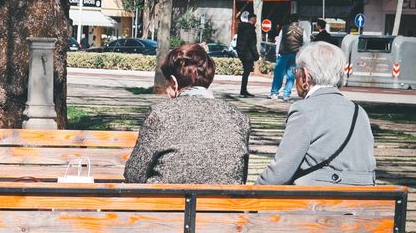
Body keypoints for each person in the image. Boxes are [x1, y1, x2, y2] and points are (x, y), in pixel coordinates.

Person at [124, 43, 250, 184]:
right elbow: (240, 176)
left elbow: (134, 174)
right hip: (224, 205)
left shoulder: (160, 114)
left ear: (173, 83)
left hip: (165, 203)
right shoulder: (238, 118)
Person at [256, 42, 375, 186]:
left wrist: (251, 193)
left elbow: (280, 174)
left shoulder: (304, 110)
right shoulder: (359, 111)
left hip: (320, 202)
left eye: (296, 71)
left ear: (305, 76)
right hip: (364, 200)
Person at [269, 13, 305, 101]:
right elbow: (305, 43)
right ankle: (286, 94)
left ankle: (274, 92)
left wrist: (277, 53)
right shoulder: (302, 30)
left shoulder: (284, 29)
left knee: (278, 74)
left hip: (283, 55)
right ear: (298, 21)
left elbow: (279, 41)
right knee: (291, 75)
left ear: (289, 20)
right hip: (294, 57)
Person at [235, 13, 259, 98]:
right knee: (246, 73)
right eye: (255, 19)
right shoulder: (251, 30)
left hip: (242, 53)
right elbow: (252, 44)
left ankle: (243, 90)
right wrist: (256, 55)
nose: (256, 21)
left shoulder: (241, 28)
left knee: (246, 72)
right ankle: (243, 91)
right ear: (252, 19)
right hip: (248, 54)